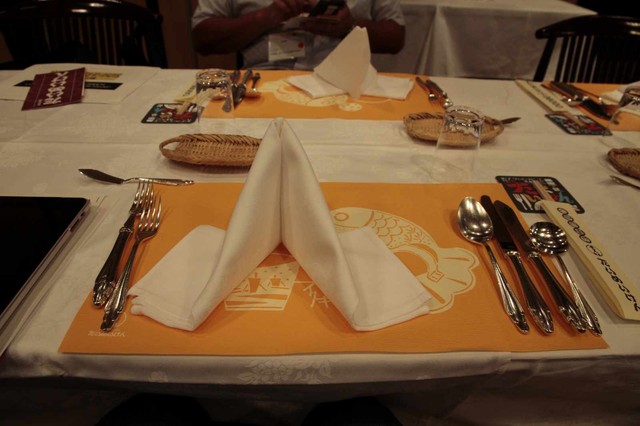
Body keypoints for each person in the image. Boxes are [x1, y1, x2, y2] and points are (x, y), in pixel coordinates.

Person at [191, 0, 405, 70]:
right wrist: (265, 17)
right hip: (264, 84)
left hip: (348, 82)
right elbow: (202, 39)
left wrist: (349, 26)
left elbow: (395, 38)